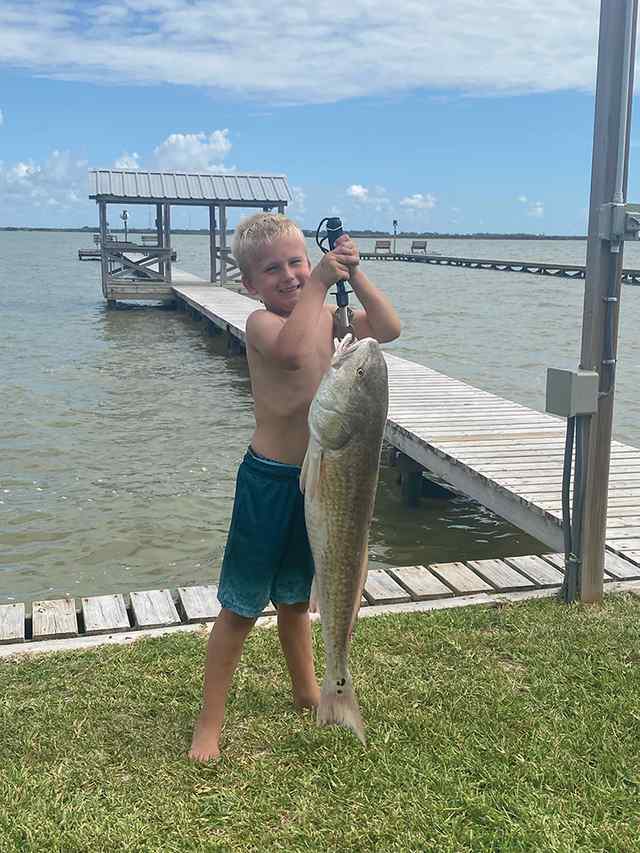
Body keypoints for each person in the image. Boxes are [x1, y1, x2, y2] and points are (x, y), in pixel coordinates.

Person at [189, 212, 401, 761]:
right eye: (272, 269)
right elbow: (288, 351)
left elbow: (389, 328)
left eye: (295, 261)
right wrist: (317, 283)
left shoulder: (329, 317)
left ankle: (311, 691)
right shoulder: (262, 324)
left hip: (319, 484)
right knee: (240, 606)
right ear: (249, 285)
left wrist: (352, 275)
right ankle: (208, 727)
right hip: (269, 482)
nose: (287, 275)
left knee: (294, 600)